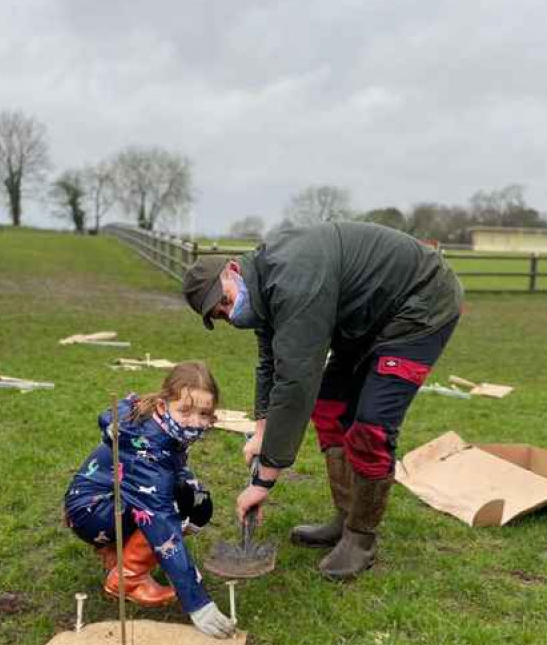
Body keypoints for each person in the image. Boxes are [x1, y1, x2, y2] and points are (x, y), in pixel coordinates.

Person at [183, 221, 462, 580]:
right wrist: (262, 428)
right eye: (219, 314)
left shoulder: (293, 280)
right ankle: (344, 517)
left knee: (372, 426)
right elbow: (271, 361)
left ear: (233, 271)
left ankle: (360, 538)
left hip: (420, 305)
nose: (227, 312)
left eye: (225, 300)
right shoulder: (265, 285)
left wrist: (264, 479)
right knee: (330, 407)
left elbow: (297, 380)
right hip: (365, 317)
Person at [63, 361, 235, 638]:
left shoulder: (158, 428)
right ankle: (127, 580)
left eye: (204, 413)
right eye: (185, 411)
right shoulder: (149, 455)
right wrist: (197, 601)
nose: (195, 422)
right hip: (92, 511)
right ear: (162, 406)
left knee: (198, 501)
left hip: (107, 501)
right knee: (175, 508)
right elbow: (162, 525)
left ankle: (120, 556)